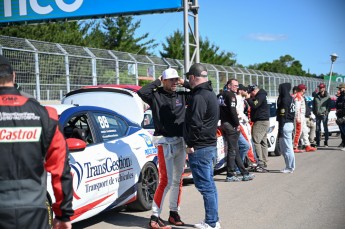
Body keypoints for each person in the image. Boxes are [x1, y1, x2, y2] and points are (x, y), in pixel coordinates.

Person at [0, 54, 74, 229]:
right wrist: (64, 214)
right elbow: (61, 168)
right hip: (33, 213)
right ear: (14, 76)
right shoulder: (43, 114)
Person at [138, 68, 190, 229]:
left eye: (177, 79)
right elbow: (141, 91)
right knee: (165, 180)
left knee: (178, 180)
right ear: (164, 80)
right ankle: (154, 216)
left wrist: (184, 82)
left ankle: (173, 213)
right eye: (171, 80)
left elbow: (201, 91)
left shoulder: (182, 94)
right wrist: (157, 81)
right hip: (164, 142)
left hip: (180, 141)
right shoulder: (155, 95)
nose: (175, 82)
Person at [183, 63, 220, 229]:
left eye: (188, 79)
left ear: (192, 77)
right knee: (209, 186)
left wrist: (190, 143)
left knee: (205, 186)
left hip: (200, 147)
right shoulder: (209, 93)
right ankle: (213, 220)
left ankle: (211, 222)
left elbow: (196, 123)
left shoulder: (199, 97)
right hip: (209, 145)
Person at [220, 79, 254, 182]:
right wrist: (237, 124)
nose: (236, 87)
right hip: (230, 125)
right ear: (229, 86)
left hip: (223, 123)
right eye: (234, 85)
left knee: (235, 149)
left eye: (237, 86)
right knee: (232, 150)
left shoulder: (221, 95)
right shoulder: (231, 96)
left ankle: (244, 172)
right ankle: (230, 174)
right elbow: (233, 111)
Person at [245, 84, 270, 172]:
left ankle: (261, 163)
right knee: (263, 141)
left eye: (250, 93)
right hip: (264, 121)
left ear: (254, 91)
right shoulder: (261, 95)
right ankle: (264, 161)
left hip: (261, 121)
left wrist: (248, 99)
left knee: (256, 141)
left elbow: (255, 105)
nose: (250, 95)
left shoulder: (260, 96)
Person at [277, 83, 296, 173]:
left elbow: (282, 116)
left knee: (287, 148)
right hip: (289, 124)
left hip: (285, 124)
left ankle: (290, 167)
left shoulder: (285, 100)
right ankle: (288, 166)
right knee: (283, 148)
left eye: (280, 88)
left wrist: (280, 129)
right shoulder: (291, 98)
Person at [293, 84, 317, 152]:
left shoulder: (300, 96)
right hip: (299, 116)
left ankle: (307, 145)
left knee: (305, 131)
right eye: (304, 89)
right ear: (302, 89)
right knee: (298, 132)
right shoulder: (298, 96)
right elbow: (297, 108)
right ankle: (295, 147)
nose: (305, 90)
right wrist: (298, 118)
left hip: (302, 116)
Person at [313, 83, 331, 147]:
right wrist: (314, 112)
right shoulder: (316, 96)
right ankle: (318, 142)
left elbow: (329, 106)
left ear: (324, 88)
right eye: (319, 88)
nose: (320, 89)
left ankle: (326, 141)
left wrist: (326, 112)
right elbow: (314, 105)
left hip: (324, 115)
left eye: (321, 88)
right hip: (317, 115)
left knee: (325, 128)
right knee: (317, 129)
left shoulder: (327, 97)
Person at [335, 83, 345, 151]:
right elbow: (337, 106)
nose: (339, 89)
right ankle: (343, 143)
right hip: (340, 116)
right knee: (342, 131)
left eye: (340, 88)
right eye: (339, 88)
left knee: (344, 131)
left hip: (344, 116)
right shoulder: (340, 97)